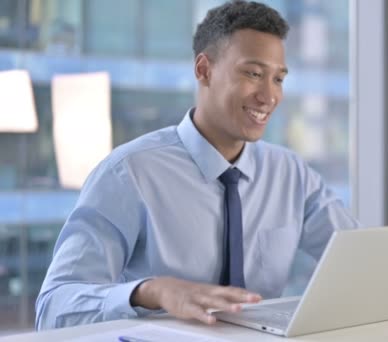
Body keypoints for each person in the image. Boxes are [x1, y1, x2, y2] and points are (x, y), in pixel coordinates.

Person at [35, 0, 359, 330]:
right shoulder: (129, 172)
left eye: (278, 79)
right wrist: (151, 291)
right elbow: (53, 307)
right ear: (204, 70)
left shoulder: (290, 173)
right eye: (253, 73)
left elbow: (363, 261)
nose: (269, 96)